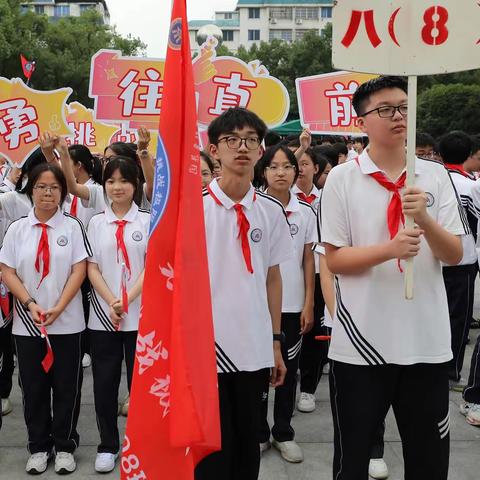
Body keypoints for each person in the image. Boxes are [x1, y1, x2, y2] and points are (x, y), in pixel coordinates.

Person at [322, 76, 464, 479]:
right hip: (361, 346)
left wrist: (424, 220)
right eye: (385, 109)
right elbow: (335, 260)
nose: (398, 116)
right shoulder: (342, 179)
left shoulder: (434, 177)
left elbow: (454, 254)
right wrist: (390, 248)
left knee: (429, 461)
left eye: (404, 107)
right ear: (362, 121)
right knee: (352, 461)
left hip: (425, 345)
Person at [195, 107, 292, 480]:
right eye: (231, 140)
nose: (242, 147)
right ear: (214, 149)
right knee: (212, 445)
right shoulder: (195, 208)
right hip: (207, 348)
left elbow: (272, 279)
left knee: (249, 440)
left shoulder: (269, 210)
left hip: (253, 346)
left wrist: (275, 341)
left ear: (260, 149)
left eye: (251, 140)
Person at [0, 163, 90, 475]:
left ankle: (65, 445)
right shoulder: (17, 229)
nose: (47, 192)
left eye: (54, 187)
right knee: (33, 389)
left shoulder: (73, 227)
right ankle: (38, 446)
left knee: (67, 387)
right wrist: (29, 302)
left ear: (63, 192)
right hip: (27, 326)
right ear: (30, 189)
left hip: (68, 324)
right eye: (41, 186)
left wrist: (60, 306)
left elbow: (80, 269)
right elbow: (7, 270)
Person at [86, 156, 149, 473]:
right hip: (102, 318)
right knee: (105, 383)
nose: (117, 187)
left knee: (142, 385)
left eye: (123, 181)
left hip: (141, 317)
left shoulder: (148, 222)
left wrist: (128, 299)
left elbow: (151, 267)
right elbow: (91, 267)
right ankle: (108, 445)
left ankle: (140, 444)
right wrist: (112, 300)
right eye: (111, 181)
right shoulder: (96, 223)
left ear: (135, 184)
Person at [258, 145, 315, 463]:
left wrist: (308, 303)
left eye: (287, 166)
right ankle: (258, 431)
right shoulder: (253, 208)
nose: (280, 172)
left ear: (297, 171)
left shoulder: (305, 212)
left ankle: (282, 431)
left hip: (292, 306)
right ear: (263, 171)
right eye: (273, 166)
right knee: (257, 370)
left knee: (288, 369)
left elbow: (309, 261)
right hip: (257, 306)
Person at [437, 131, 478, 391]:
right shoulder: (470, 186)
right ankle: (451, 372)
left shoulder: (433, 181)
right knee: (458, 318)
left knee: (432, 314)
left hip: (432, 259)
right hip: (463, 260)